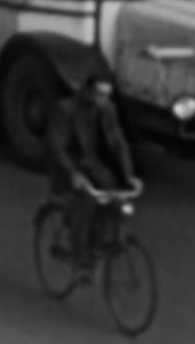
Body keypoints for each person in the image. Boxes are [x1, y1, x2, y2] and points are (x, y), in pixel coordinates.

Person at [46, 69, 141, 278]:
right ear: (88, 91)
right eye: (100, 94)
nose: (104, 100)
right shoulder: (66, 110)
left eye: (108, 95)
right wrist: (73, 173)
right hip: (70, 168)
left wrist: (129, 174)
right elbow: (57, 146)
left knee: (115, 200)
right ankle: (79, 256)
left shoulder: (108, 110)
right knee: (87, 202)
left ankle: (98, 243)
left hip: (94, 167)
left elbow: (118, 143)